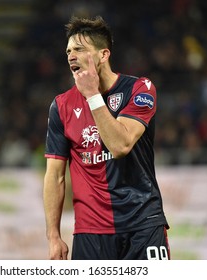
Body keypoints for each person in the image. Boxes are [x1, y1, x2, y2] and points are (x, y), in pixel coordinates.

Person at [43, 16, 170, 260]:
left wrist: (91, 94)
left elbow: (120, 145)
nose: (71, 56)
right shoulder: (61, 106)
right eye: (68, 51)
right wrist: (53, 236)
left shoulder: (139, 89)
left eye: (80, 49)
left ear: (103, 55)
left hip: (143, 224)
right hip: (91, 232)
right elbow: (55, 175)